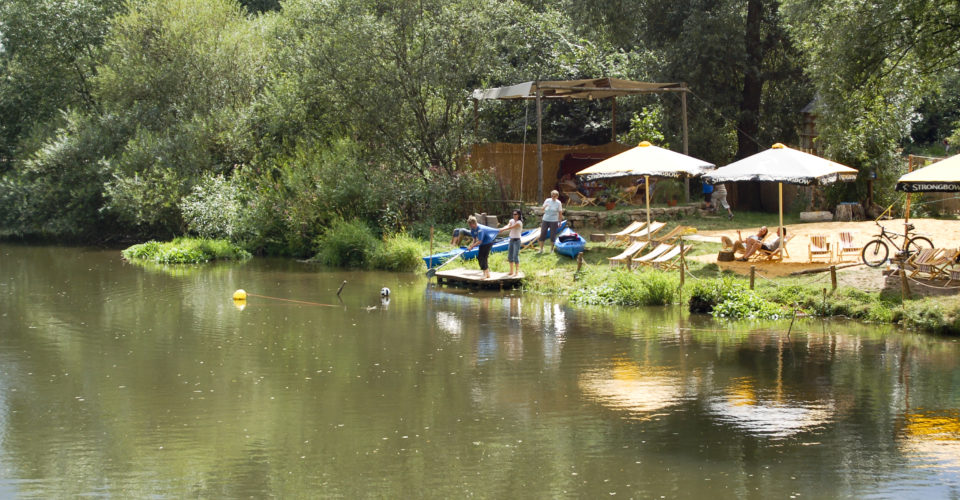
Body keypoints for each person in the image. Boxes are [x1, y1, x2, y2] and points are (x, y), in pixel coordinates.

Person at [500, 209, 523, 276]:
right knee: (510, 256)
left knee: (515, 255)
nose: (514, 215)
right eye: (513, 214)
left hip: (517, 240)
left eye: (515, 214)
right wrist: (502, 228)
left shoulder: (519, 222)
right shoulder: (511, 220)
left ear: (518, 215)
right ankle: (511, 271)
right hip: (511, 240)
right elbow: (508, 225)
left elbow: (511, 227)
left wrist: (503, 229)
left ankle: (517, 272)